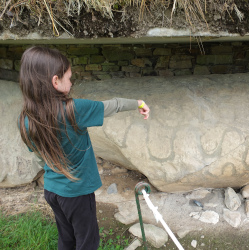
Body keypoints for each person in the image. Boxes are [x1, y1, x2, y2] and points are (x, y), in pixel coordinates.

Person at [18, 46, 150, 250]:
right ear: (55, 81)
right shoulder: (74, 110)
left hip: (52, 190)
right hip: (76, 193)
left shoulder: (26, 119)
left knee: (67, 238)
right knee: (87, 242)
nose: (71, 83)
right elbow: (112, 105)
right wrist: (139, 103)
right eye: (69, 78)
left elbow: (38, 155)